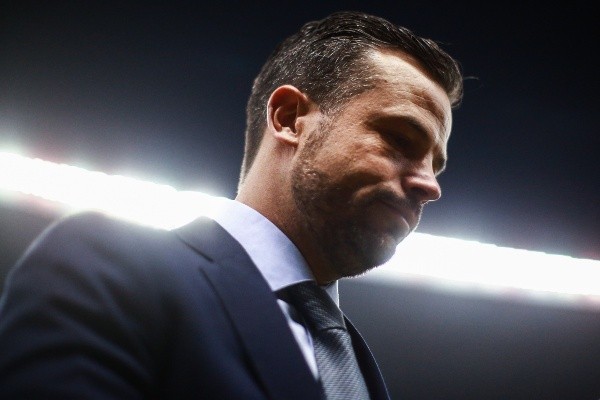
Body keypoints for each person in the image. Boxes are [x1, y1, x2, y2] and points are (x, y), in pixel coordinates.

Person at [0, 10, 463, 399]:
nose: (430, 186)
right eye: (400, 139)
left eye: (436, 166)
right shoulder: (107, 266)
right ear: (289, 119)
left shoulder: (359, 366)